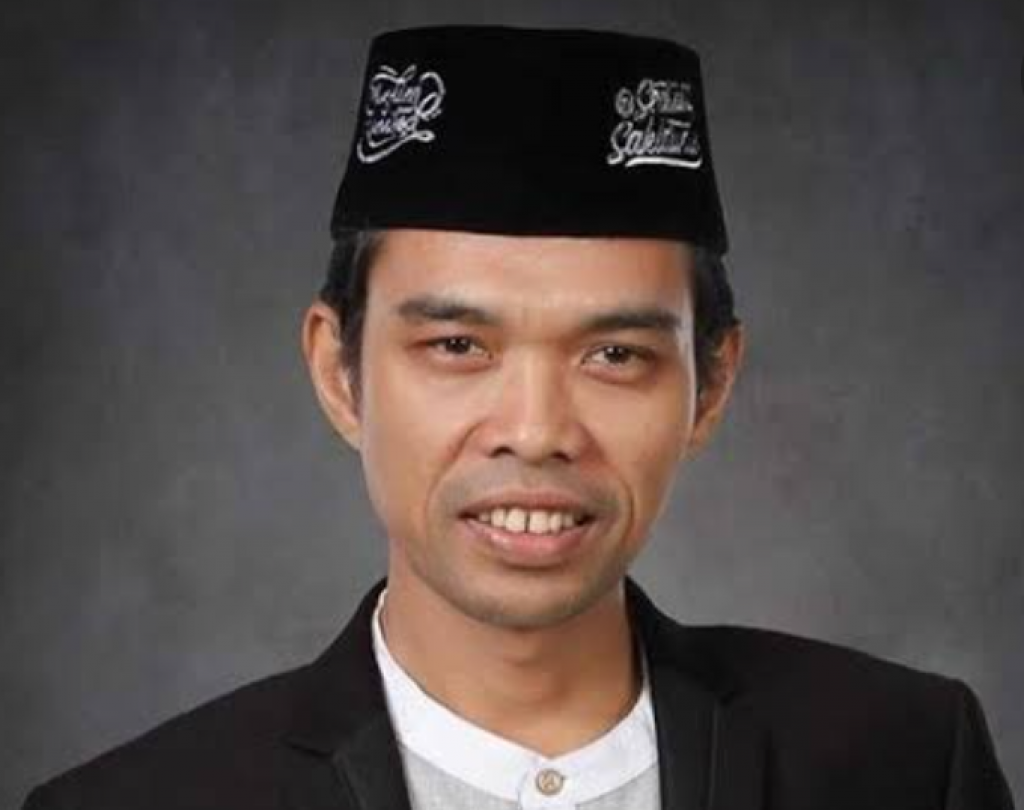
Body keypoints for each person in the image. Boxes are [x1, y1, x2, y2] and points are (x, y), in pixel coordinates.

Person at [22, 24, 1015, 810]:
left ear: (709, 385)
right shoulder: (144, 800)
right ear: (339, 371)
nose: (536, 431)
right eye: (458, 346)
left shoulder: (902, 762)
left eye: (614, 355)